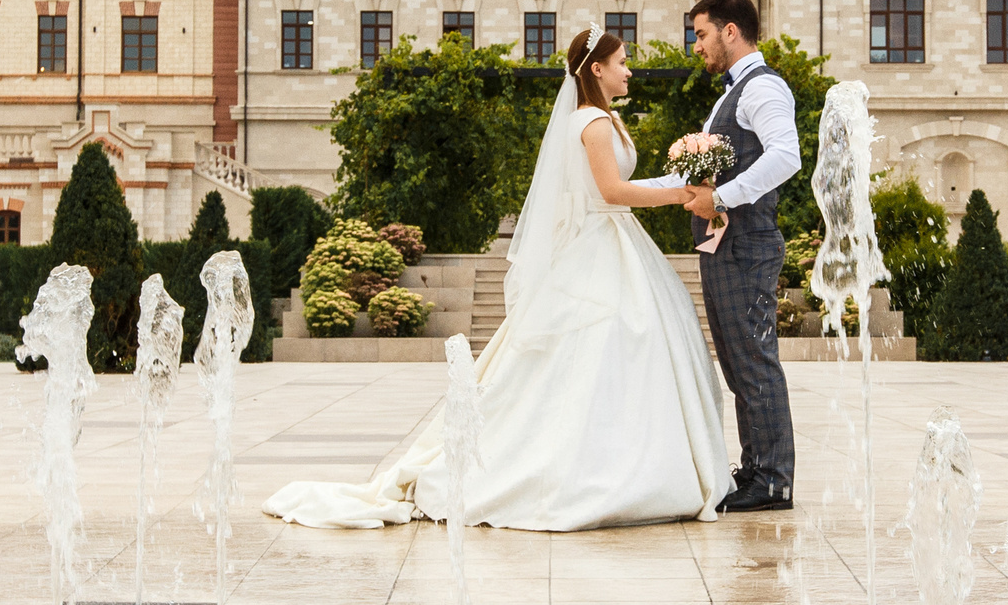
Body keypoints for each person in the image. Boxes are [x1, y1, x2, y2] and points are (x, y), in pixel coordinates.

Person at [262, 27, 733, 531]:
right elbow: (611, 192)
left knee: (618, 349)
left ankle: (620, 457)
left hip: (613, 243)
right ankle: (594, 468)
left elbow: (614, 189)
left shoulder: (604, 119)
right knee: (609, 343)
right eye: (621, 62)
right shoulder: (592, 121)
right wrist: (680, 195)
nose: (629, 70)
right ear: (596, 69)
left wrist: (681, 182)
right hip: (601, 244)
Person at [647, 0, 799, 513]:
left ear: (730, 32)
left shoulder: (763, 88)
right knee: (738, 365)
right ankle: (756, 468)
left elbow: (786, 156)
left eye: (702, 34)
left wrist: (722, 197)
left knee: (755, 361)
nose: (698, 46)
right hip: (725, 249)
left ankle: (775, 480)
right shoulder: (730, 93)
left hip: (748, 246)